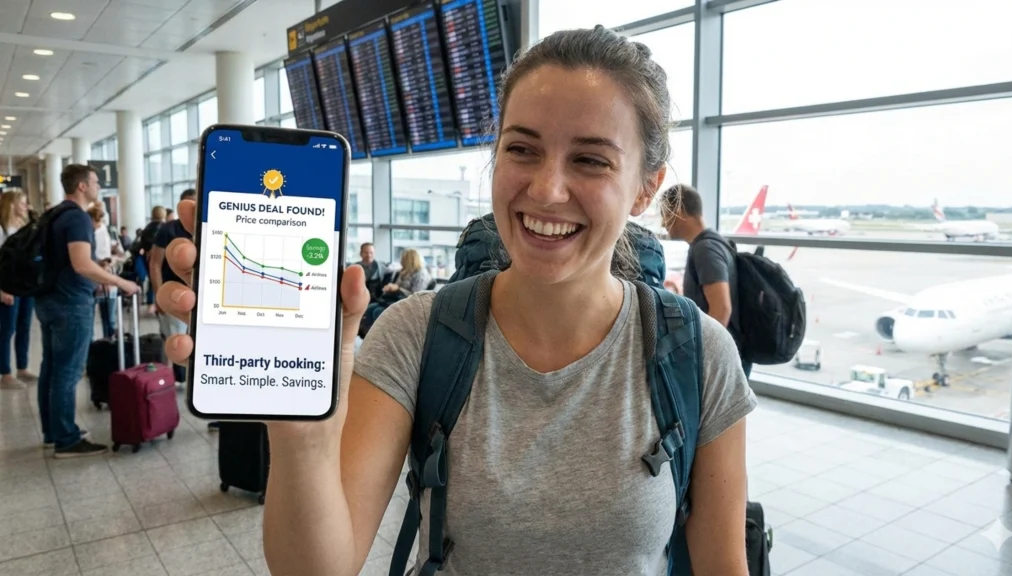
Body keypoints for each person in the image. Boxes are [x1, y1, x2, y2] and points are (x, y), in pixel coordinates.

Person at [158, 26, 754, 575]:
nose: (546, 189)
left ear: (646, 189)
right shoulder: (417, 334)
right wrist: (302, 434)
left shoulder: (697, 354)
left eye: (590, 160)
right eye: (521, 149)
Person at [36, 164, 140, 458]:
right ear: (81, 186)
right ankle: (66, 439)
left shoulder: (54, 214)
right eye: (95, 182)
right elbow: (81, 263)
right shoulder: (78, 218)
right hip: (70, 303)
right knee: (67, 372)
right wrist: (121, 282)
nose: (98, 187)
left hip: (48, 300)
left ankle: (52, 431)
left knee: (52, 367)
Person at [659, 183, 750, 377]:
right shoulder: (715, 242)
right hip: (731, 351)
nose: (663, 223)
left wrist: (702, 356)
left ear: (679, 211)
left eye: (666, 214)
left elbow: (722, 308)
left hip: (722, 358)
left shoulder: (705, 249)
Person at [149, 189, 196, 388]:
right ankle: (179, 379)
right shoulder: (169, 229)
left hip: (200, 295)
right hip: (175, 291)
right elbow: (155, 263)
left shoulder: (207, 228)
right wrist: (159, 295)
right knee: (176, 337)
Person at [0, 191, 36, 389]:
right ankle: (5, 373)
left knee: (24, 326)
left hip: (24, 286)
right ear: (11, 204)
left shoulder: (24, 227)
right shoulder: (2, 229)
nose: (25, 206)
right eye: (22, 203)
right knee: (7, 330)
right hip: (8, 287)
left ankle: (22, 367)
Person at [87, 203, 118, 339]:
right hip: (101, 275)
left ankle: (105, 345)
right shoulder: (103, 232)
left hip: (102, 274)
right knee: (107, 318)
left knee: (107, 318)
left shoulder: (100, 232)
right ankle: (104, 344)